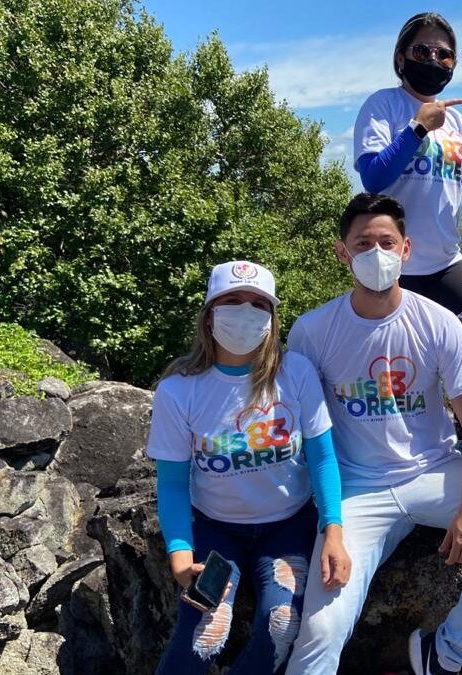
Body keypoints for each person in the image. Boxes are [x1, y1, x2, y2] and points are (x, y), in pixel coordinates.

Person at [285, 193, 462, 675]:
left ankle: (448, 651)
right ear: (341, 253)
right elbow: (308, 434)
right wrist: (328, 524)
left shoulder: (440, 323)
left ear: (407, 249)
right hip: (357, 489)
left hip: (434, 470)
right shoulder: (312, 331)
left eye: (387, 241)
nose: (376, 253)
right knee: (320, 631)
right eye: (362, 243)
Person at [146, 260, 351, 674]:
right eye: (232, 301)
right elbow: (170, 484)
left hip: (288, 526)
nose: (246, 310)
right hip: (215, 530)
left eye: (259, 303)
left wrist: (333, 529)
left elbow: (322, 455)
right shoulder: (178, 390)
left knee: (280, 624)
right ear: (208, 316)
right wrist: (180, 555)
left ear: (273, 319)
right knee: (203, 631)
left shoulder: (296, 372)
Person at [353, 12, 462, 389]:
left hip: (446, 262)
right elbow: (374, 176)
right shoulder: (383, 106)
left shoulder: (457, 122)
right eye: (422, 50)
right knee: (402, 369)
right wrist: (418, 127)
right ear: (401, 58)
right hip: (392, 264)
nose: (434, 60)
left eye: (445, 54)